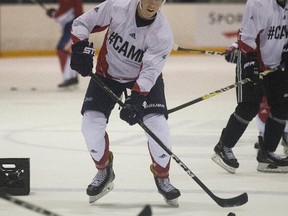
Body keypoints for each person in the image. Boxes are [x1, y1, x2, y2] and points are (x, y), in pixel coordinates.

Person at [70, 0, 181, 206]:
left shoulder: (162, 33)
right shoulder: (117, 7)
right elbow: (81, 23)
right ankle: (104, 171)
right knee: (90, 125)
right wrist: (79, 49)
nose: (153, 4)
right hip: (107, 74)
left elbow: (150, 71)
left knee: (158, 125)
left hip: (143, 78)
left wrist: (137, 99)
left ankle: (162, 176)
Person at [212, 0, 288, 174]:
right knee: (249, 106)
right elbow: (246, 37)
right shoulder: (259, 3)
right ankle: (223, 147)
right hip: (251, 59)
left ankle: (266, 154)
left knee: (282, 107)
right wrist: (251, 64)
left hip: (276, 64)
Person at [46, 0, 83, 88]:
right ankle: (72, 77)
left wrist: (53, 14)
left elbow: (61, 17)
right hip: (75, 26)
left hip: (73, 26)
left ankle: (69, 78)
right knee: (69, 51)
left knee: (62, 50)